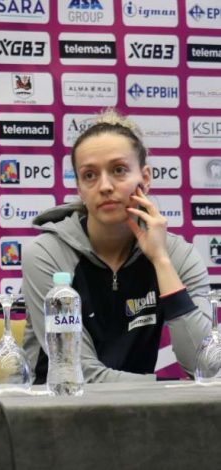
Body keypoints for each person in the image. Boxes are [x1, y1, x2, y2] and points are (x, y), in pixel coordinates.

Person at [22, 109, 211, 383]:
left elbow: (206, 368)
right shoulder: (45, 254)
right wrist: (170, 390)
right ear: (79, 188)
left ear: (145, 178)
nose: (105, 186)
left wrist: (161, 261)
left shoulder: (178, 255)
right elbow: (79, 375)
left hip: (142, 407)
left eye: (119, 170)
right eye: (90, 175)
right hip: (58, 405)